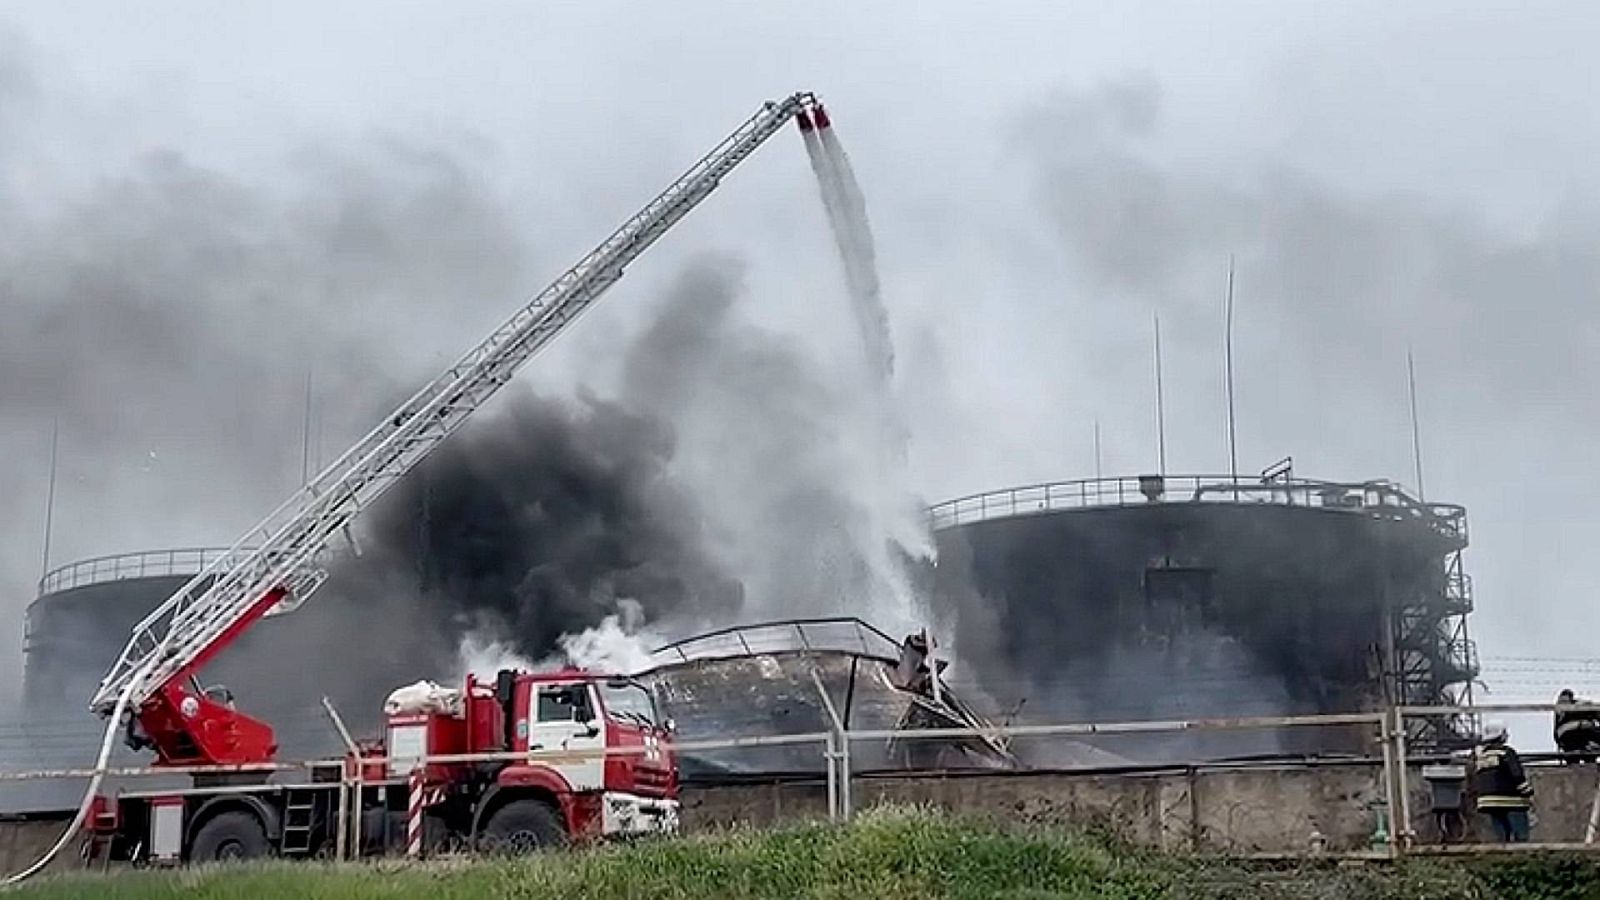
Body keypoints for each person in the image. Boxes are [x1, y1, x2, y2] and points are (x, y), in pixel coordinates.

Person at [1472, 721, 1533, 842]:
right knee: (1520, 834)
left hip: (1488, 802)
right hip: (1512, 801)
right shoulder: (1506, 752)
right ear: (1501, 735)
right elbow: (1516, 774)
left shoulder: (1481, 757)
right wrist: (1527, 791)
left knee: (1501, 836)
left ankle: (1504, 850)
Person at [1554, 689, 1600, 763]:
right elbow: (1558, 735)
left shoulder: (1582, 708)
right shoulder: (1563, 713)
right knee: (1574, 757)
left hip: (1584, 740)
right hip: (1572, 742)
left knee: (1588, 758)